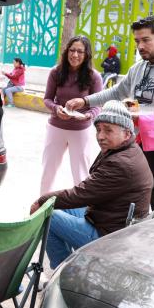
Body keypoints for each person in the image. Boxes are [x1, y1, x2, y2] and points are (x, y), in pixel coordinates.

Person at [66, 16, 154, 216]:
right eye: (137, 41)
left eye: (146, 40)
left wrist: (141, 118)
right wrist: (85, 101)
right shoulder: (139, 67)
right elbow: (117, 92)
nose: (140, 46)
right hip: (139, 139)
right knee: (135, 195)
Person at [30, 101, 153, 269]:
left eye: (108, 130)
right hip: (110, 219)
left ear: (126, 133)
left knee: (46, 215)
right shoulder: (125, 149)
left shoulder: (121, 163)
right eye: (99, 130)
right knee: (57, 207)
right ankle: (69, 266)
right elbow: (84, 192)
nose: (100, 136)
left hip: (110, 236)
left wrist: (41, 200)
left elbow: (80, 194)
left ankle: (65, 273)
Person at [40, 36, 103, 195]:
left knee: (81, 173)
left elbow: (98, 104)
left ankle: (83, 211)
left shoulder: (93, 76)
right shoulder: (56, 72)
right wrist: (56, 109)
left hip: (81, 130)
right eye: (72, 50)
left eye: (80, 51)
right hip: (56, 127)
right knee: (48, 169)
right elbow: (47, 99)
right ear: (67, 51)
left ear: (87, 54)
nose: (75, 55)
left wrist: (87, 116)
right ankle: (41, 205)